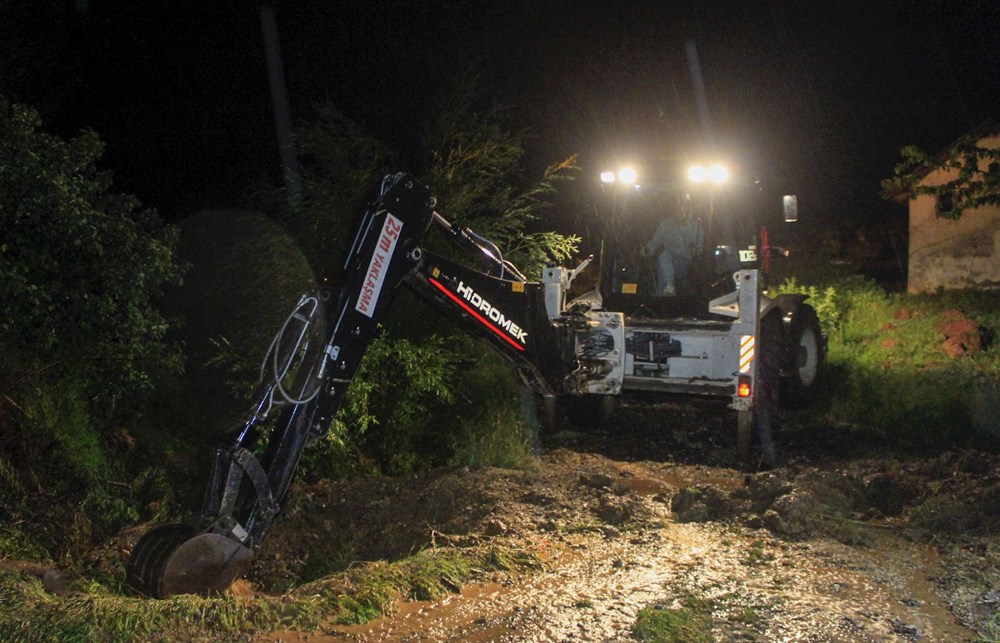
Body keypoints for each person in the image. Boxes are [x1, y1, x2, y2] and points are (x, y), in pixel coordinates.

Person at [644, 209, 703, 296]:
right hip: (667, 262)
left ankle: (664, 296)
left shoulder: (696, 227)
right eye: (680, 207)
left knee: (663, 268)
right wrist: (645, 252)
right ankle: (669, 289)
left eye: (686, 208)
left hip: (685, 265)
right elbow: (654, 243)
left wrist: (696, 252)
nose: (683, 211)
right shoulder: (665, 224)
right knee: (663, 257)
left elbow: (699, 251)